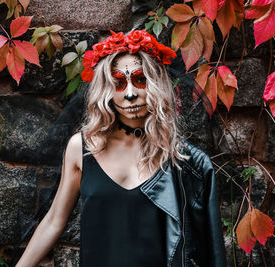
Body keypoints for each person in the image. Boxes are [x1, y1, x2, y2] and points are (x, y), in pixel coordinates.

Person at [16, 30, 226, 267]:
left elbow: (210, 251)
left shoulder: (182, 160)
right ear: (105, 88)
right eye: (118, 82)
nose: (129, 93)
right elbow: (54, 220)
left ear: (155, 84)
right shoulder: (83, 148)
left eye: (140, 80)